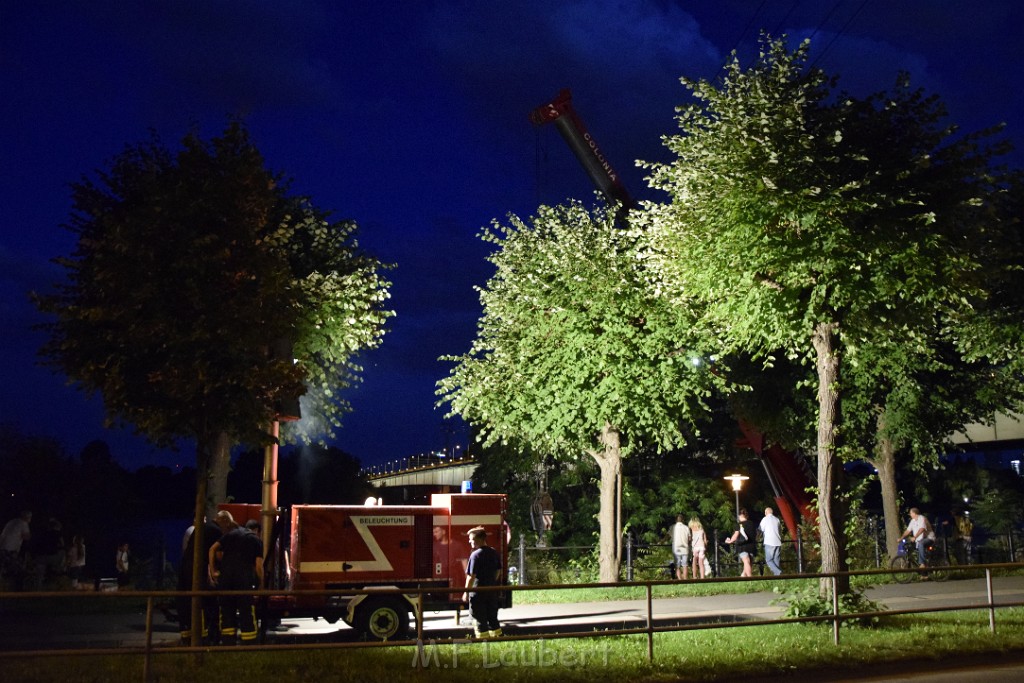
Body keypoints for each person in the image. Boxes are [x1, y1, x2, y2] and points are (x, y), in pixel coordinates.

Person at [209, 515, 263, 644]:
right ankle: (248, 645)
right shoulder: (256, 540)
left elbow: (212, 549)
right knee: (246, 613)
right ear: (257, 531)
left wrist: (213, 571)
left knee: (226, 611)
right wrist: (261, 586)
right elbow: (259, 567)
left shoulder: (230, 535)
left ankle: (228, 644)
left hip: (226, 579)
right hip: (244, 580)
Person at [178, 517, 223, 644]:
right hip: (197, 571)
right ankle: (204, 638)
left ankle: (188, 637)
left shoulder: (201, 530)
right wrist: (216, 571)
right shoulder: (216, 531)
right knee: (203, 602)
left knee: (188, 602)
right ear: (224, 521)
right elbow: (217, 554)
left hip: (187, 570)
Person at [462, 526, 502, 638]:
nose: (469, 541)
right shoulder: (493, 552)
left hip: (478, 593)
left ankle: (483, 641)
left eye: (471, 539)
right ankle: (498, 638)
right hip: (491, 591)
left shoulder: (475, 555)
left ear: (479, 539)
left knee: (479, 618)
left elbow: (471, 576)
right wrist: (491, 581)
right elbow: (498, 571)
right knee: (492, 617)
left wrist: (466, 592)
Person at [1, 510, 32, 587]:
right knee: (16, 568)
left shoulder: (12, 521)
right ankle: (16, 588)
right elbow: (26, 537)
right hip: (10, 549)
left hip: (1, 546)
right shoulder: (23, 523)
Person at [724, 508, 757, 577]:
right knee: (749, 562)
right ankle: (743, 576)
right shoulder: (751, 523)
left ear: (740, 516)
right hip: (751, 545)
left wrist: (730, 541)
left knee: (746, 561)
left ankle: (750, 578)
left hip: (742, 545)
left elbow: (736, 535)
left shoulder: (738, 525)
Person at [759, 507, 783, 576]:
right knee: (776, 560)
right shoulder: (777, 519)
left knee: (768, 560)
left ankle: (778, 572)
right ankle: (778, 577)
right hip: (778, 542)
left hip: (769, 542)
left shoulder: (765, 519)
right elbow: (779, 530)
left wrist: (757, 538)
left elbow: (760, 529)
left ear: (766, 513)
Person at [672, 514, 691, 580]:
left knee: (677, 565)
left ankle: (680, 579)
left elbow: (667, 536)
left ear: (675, 520)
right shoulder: (686, 527)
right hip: (685, 548)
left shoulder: (673, 527)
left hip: (676, 548)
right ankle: (685, 579)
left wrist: (661, 542)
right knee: (685, 565)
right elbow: (689, 539)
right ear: (683, 520)